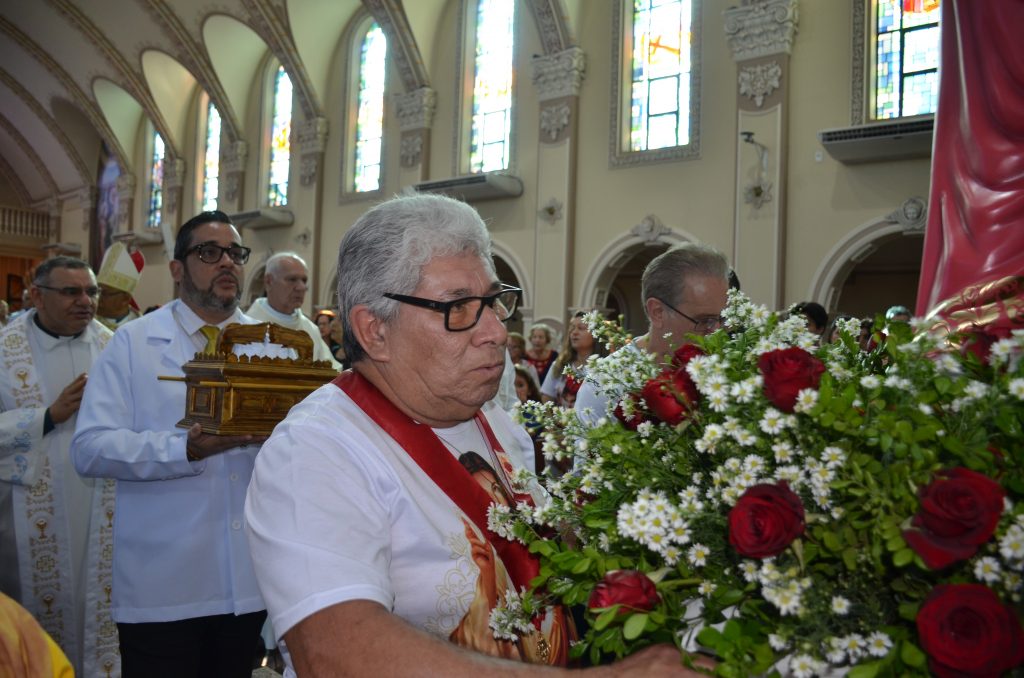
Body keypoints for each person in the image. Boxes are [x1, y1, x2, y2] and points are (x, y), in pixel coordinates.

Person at [245, 194, 710, 677]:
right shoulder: (316, 450)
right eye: (459, 307)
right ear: (374, 329)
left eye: (492, 302)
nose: (495, 332)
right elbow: (336, 652)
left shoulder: (494, 419)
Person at [71, 210, 267, 678]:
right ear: (177, 268)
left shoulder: (273, 346)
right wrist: (187, 449)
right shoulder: (133, 343)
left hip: (250, 583)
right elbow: (90, 448)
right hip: (163, 588)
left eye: (235, 253)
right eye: (209, 252)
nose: (227, 262)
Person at [0, 256, 118, 677]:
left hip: (102, 505)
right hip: (27, 517)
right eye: (71, 292)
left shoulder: (113, 346)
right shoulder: (5, 350)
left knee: (96, 608)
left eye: (91, 291)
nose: (85, 301)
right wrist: (48, 416)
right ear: (37, 296)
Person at [575, 243, 730, 427]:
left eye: (723, 319)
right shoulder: (603, 386)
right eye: (704, 321)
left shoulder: (728, 371)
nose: (717, 332)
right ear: (658, 312)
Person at [246, 252, 341, 369]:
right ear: (269, 281)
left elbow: (331, 372)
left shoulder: (311, 330)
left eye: (304, 280)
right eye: (292, 279)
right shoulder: (246, 328)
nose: (301, 287)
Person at [541, 312, 601, 405]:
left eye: (581, 328)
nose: (574, 332)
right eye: (572, 328)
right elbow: (547, 396)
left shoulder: (603, 367)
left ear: (595, 334)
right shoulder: (560, 365)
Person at [95, 241, 145, 331]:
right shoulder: (86, 324)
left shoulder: (142, 328)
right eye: (97, 291)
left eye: (104, 293)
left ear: (125, 299)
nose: (98, 299)